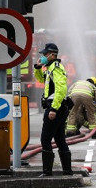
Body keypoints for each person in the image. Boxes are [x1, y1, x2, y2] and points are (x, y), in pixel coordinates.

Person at [34, 42, 72, 176]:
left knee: (45, 139)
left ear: (52, 55)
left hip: (55, 108)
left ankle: (47, 172)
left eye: (45, 54)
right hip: (57, 107)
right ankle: (67, 171)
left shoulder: (56, 67)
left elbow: (61, 89)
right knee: (60, 139)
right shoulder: (50, 68)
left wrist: (54, 109)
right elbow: (41, 80)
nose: (43, 56)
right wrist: (38, 68)